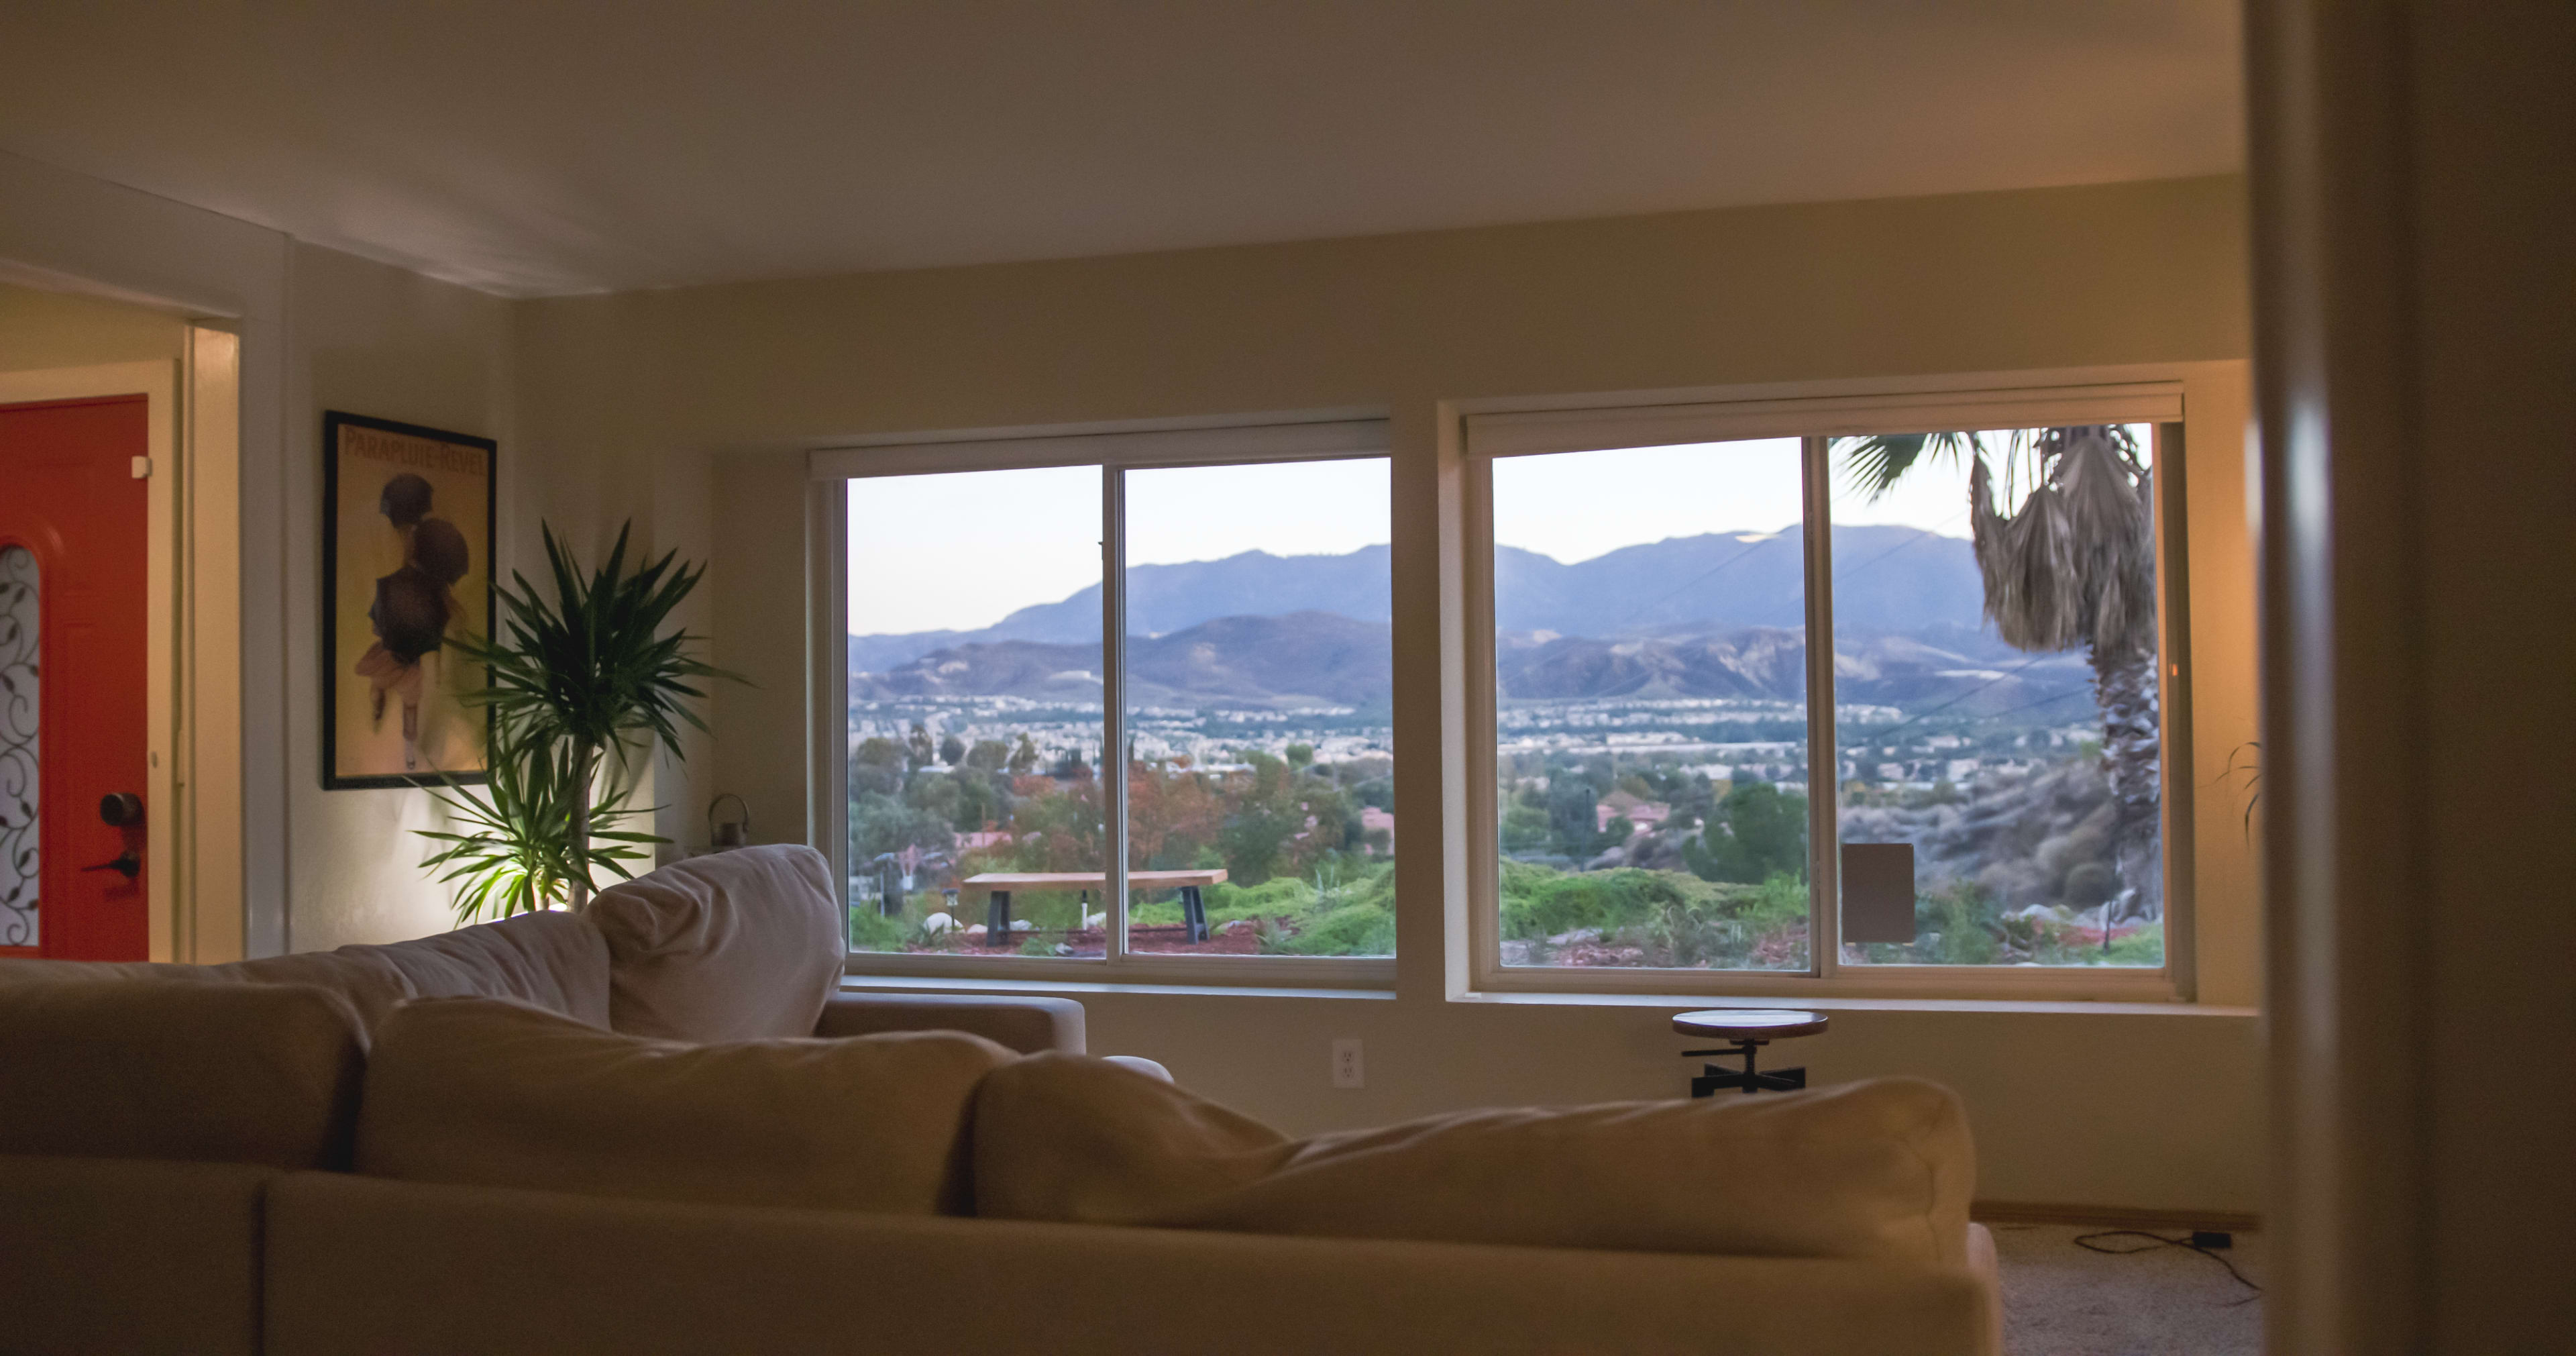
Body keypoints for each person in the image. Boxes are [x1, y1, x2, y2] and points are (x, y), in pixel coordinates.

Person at [356, 478, 470, 771]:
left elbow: (380, 621)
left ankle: (407, 749)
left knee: (403, 700)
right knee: (394, 695)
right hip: (404, 658)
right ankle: (395, 727)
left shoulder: (407, 585)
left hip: (401, 658)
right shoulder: (424, 592)